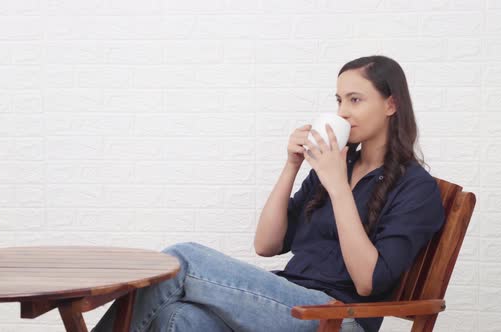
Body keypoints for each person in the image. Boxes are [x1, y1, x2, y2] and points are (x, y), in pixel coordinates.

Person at [91, 55, 445, 332]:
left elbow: (368, 283)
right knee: (179, 318)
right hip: (289, 299)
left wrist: (338, 187)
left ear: (391, 105)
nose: (342, 113)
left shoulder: (416, 189)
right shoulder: (333, 167)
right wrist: (292, 166)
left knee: (182, 258)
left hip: (338, 318)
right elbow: (267, 245)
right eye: (339, 100)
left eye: (355, 100)